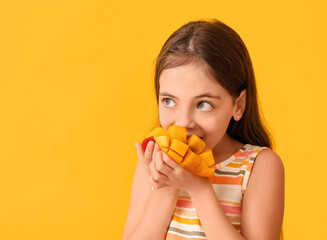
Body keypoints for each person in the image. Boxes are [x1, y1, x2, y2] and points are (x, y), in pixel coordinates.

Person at [122, 19, 284, 240]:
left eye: (203, 104)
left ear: (238, 105)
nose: (183, 122)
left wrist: (199, 189)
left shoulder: (259, 166)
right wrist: (165, 190)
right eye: (169, 101)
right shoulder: (152, 165)